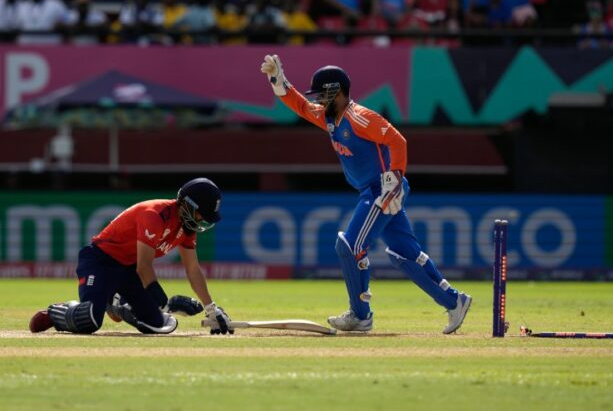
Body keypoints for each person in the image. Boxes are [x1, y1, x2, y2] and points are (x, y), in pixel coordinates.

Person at [259, 55, 472, 334]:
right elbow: (300, 105)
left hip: (380, 191)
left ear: (336, 92)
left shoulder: (359, 117)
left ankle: (360, 316)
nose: (319, 102)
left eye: (323, 95)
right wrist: (278, 80)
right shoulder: (331, 119)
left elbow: (397, 140)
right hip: (372, 190)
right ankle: (454, 301)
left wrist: (393, 180)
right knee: (403, 253)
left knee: (349, 246)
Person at [29, 178, 234, 336]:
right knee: (90, 319)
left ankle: (116, 303)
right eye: (201, 214)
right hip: (100, 261)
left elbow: (193, 269)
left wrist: (211, 309)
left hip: (126, 269)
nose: (202, 220)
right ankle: (57, 313)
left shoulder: (187, 229)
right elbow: (144, 267)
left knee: (158, 325)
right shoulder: (154, 214)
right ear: (187, 205)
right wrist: (168, 304)